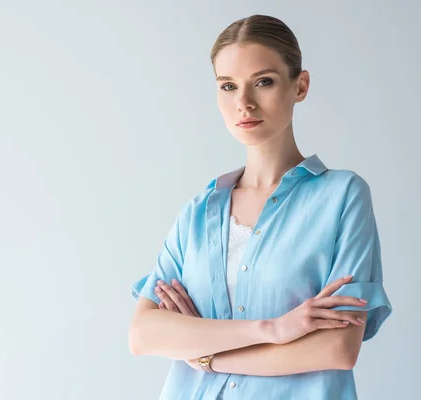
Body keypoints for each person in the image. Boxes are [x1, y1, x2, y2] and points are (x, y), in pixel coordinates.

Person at [127, 14, 392, 400]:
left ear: (299, 86)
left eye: (263, 82)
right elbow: (143, 334)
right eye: (228, 86)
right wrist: (274, 329)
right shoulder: (199, 213)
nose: (244, 103)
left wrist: (206, 356)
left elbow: (337, 348)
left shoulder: (343, 197)